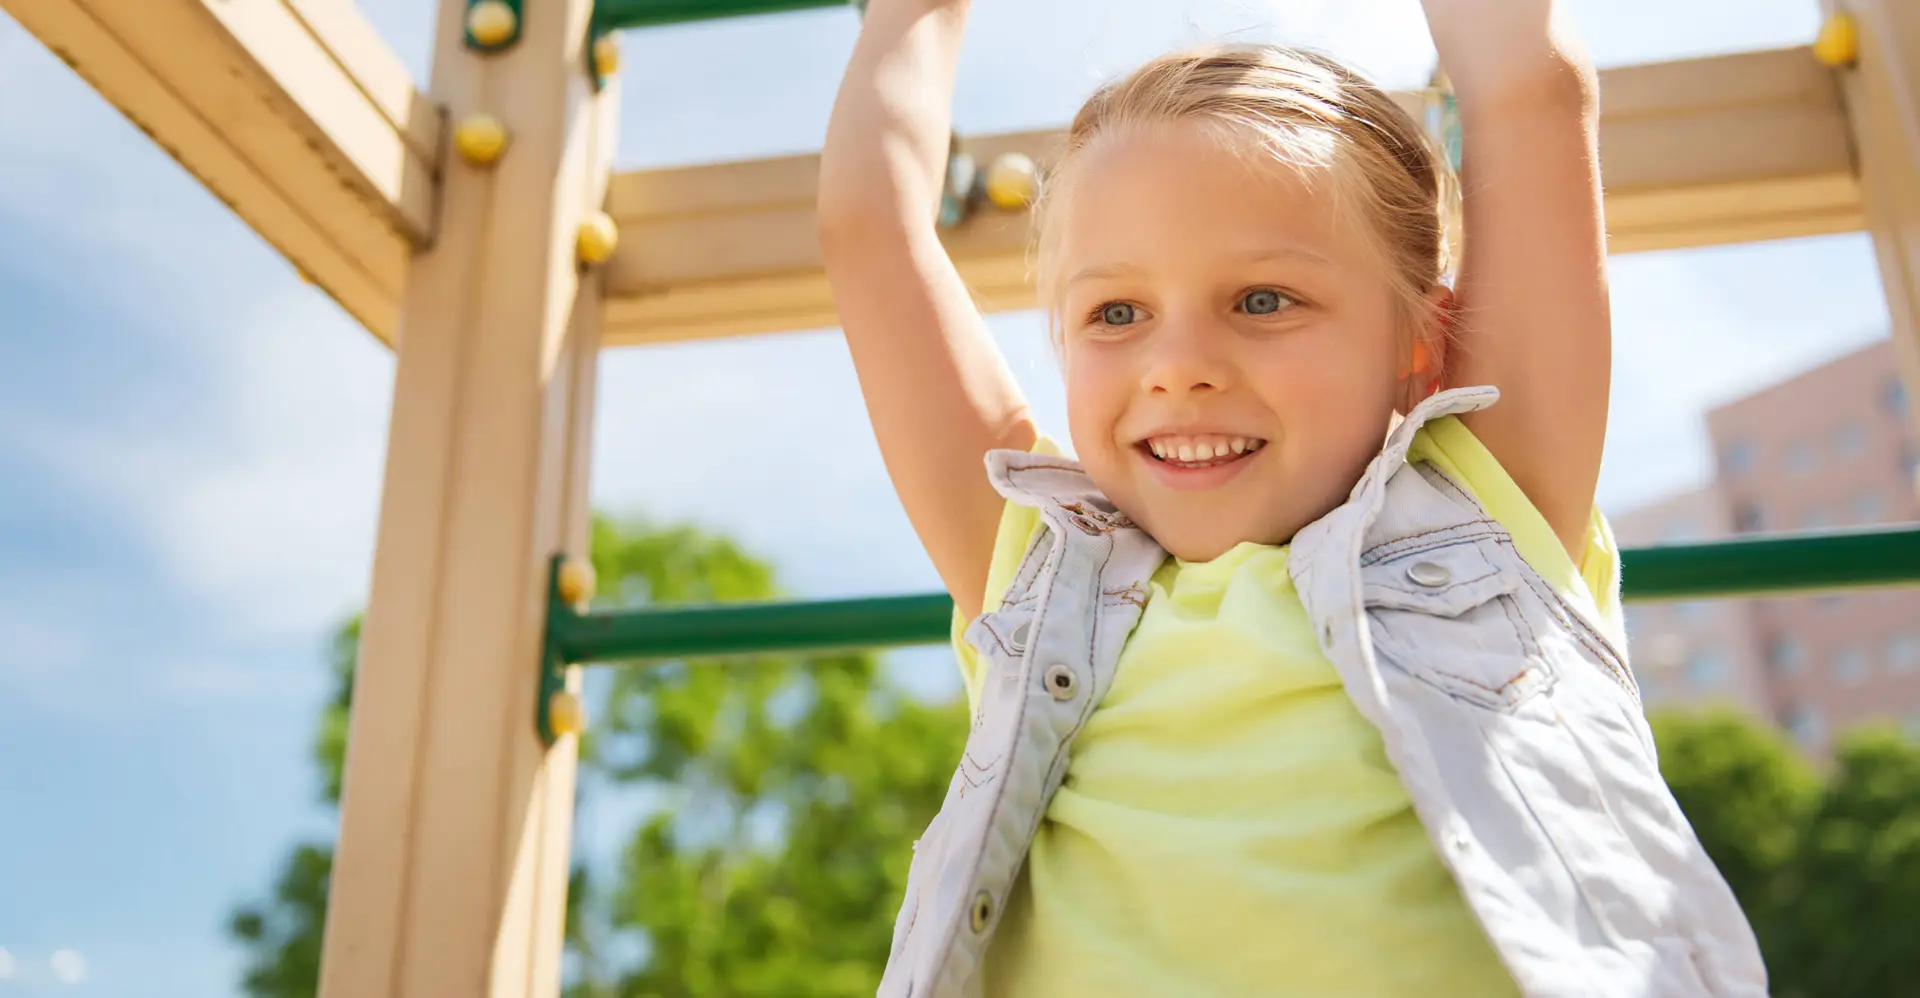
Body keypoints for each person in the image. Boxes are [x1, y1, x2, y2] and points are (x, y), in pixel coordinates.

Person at [817, 1, 1766, 995]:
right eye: (1116, 312)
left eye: (1263, 300)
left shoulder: (1484, 510)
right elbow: (870, 226)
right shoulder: (1037, 580)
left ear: (1419, 342)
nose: (1178, 366)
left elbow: (1532, 92)